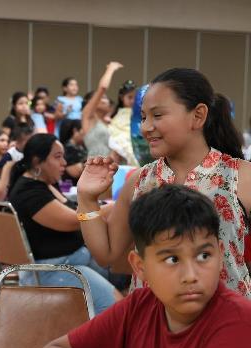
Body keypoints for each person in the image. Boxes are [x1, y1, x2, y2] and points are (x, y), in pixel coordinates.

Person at [33, 185, 251, 348]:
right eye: (172, 259)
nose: (191, 275)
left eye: (203, 256)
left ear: (220, 255)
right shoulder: (139, 306)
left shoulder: (237, 320)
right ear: (140, 266)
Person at [77, 67, 251, 297]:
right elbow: (107, 254)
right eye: (143, 117)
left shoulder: (240, 175)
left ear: (198, 115)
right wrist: (87, 198)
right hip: (153, 316)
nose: (146, 127)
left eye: (157, 115)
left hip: (226, 317)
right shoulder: (139, 181)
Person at [8, 134, 117, 313]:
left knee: (125, 269)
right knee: (116, 305)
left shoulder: (44, 183)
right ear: (37, 161)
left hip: (75, 260)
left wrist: (97, 200)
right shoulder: (29, 192)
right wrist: (116, 206)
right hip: (54, 270)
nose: (64, 163)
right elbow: (74, 221)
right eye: (57, 157)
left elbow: (76, 210)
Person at [82, 62, 123, 159]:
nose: (107, 101)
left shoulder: (111, 123)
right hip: (95, 165)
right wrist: (111, 68)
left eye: (106, 98)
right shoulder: (88, 117)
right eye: (103, 98)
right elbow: (103, 88)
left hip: (113, 166)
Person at [108, 80, 139, 166]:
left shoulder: (139, 112)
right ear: (122, 97)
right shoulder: (115, 113)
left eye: (135, 98)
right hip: (120, 145)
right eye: (130, 97)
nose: (133, 101)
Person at [59, 119, 86, 184]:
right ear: (75, 130)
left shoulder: (82, 146)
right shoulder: (67, 149)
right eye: (84, 130)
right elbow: (74, 171)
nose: (86, 133)